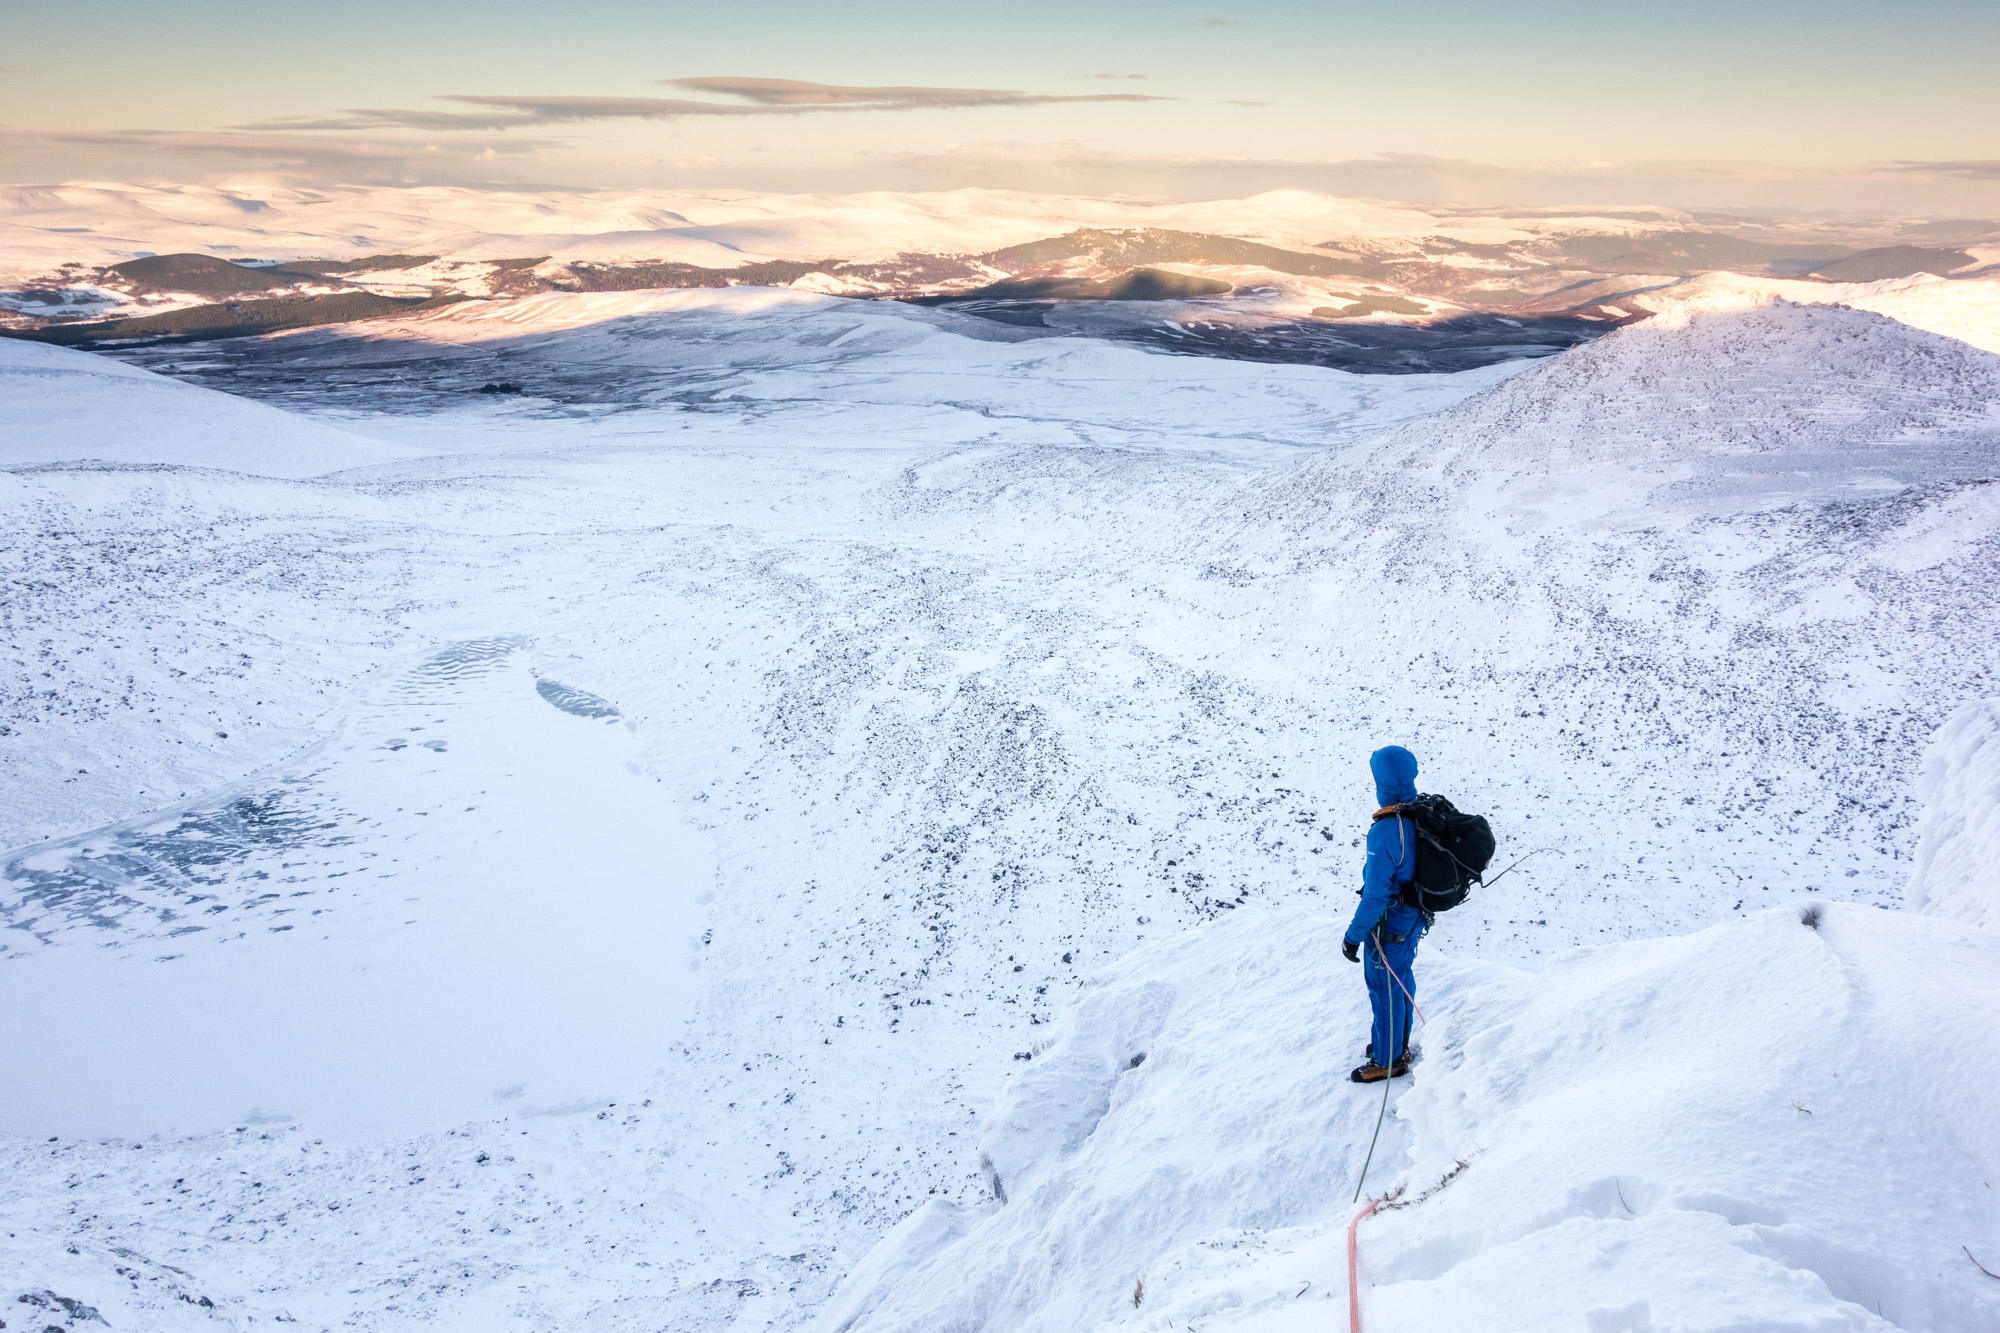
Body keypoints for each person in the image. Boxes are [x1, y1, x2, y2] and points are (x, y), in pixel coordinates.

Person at [1340, 745, 1425, 1083]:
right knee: (1401, 980)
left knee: (1383, 987)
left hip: (1391, 921)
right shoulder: (1422, 813)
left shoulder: (1388, 830)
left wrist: (1353, 936)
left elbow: (1376, 895)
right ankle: (1396, 1045)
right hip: (1414, 916)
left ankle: (1388, 1060)